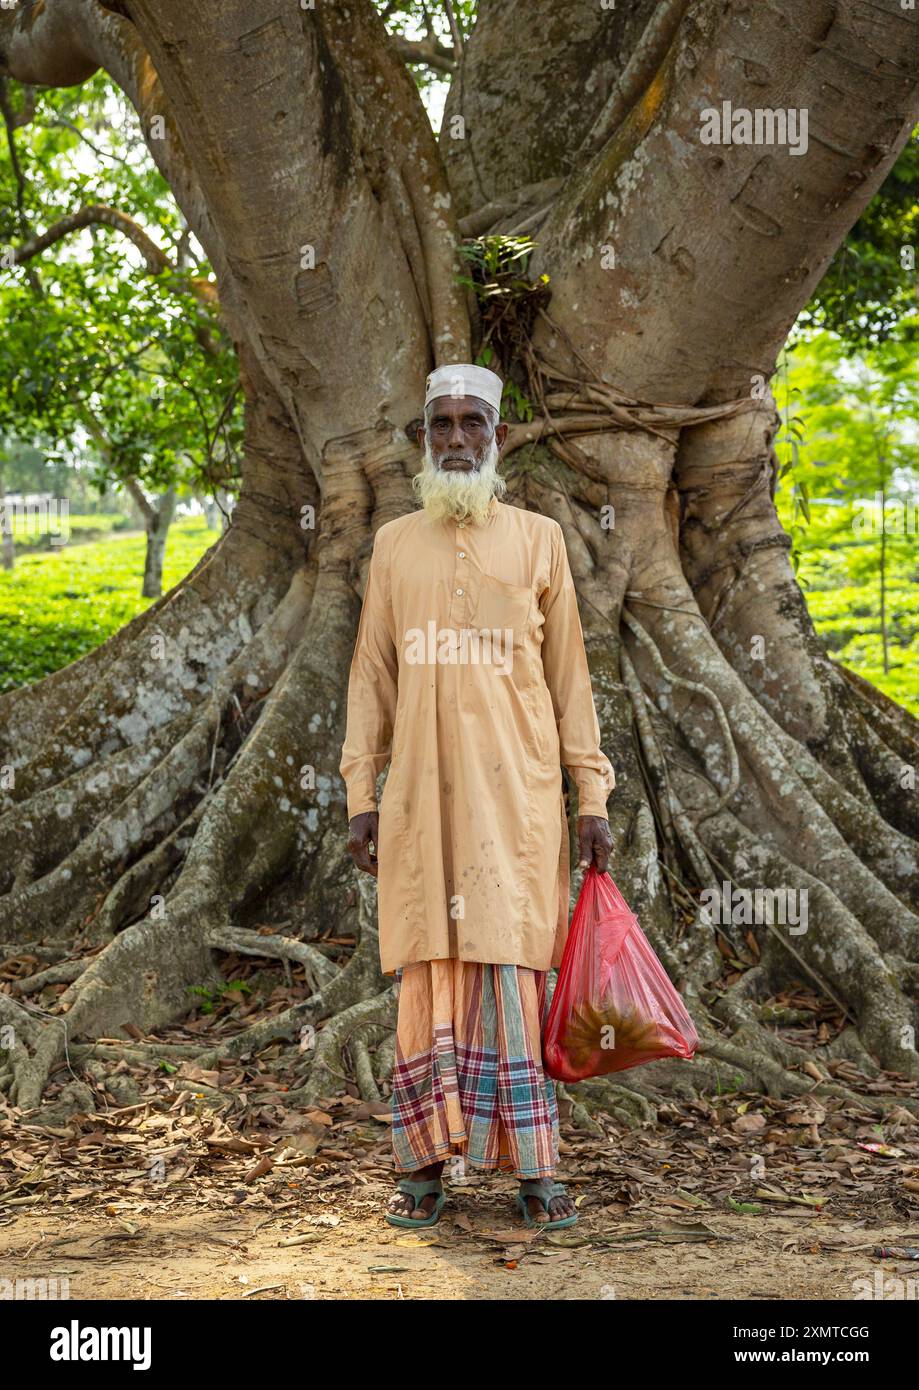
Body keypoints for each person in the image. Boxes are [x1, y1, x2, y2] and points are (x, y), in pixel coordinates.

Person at [339, 362, 614, 1228]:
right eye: (441, 425)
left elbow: (569, 677)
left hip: (518, 800)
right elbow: (370, 676)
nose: (456, 440)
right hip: (421, 797)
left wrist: (590, 793)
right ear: (423, 438)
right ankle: (422, 1168)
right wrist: (360, 792)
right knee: (429, 960)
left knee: (510, 964)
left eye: (472, 425)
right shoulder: (392, 545)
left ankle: (536, 1171)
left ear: (497, 437)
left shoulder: (537, 540)